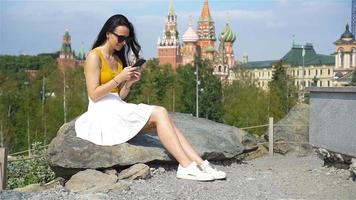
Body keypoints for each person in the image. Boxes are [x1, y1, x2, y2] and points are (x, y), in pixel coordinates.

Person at [75, 14, 226, 181]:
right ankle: (185, 166)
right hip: (102, 114)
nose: (123, 42)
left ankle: (200, 164)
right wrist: (120, 78)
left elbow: (118, 96)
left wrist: (129, 83)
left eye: (126, 39)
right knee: (160, 112)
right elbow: (94, 94)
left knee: (164, 119)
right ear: (108, 33)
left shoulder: (118, 59)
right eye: (120, 38)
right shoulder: (94, 56)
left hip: (116, 108)